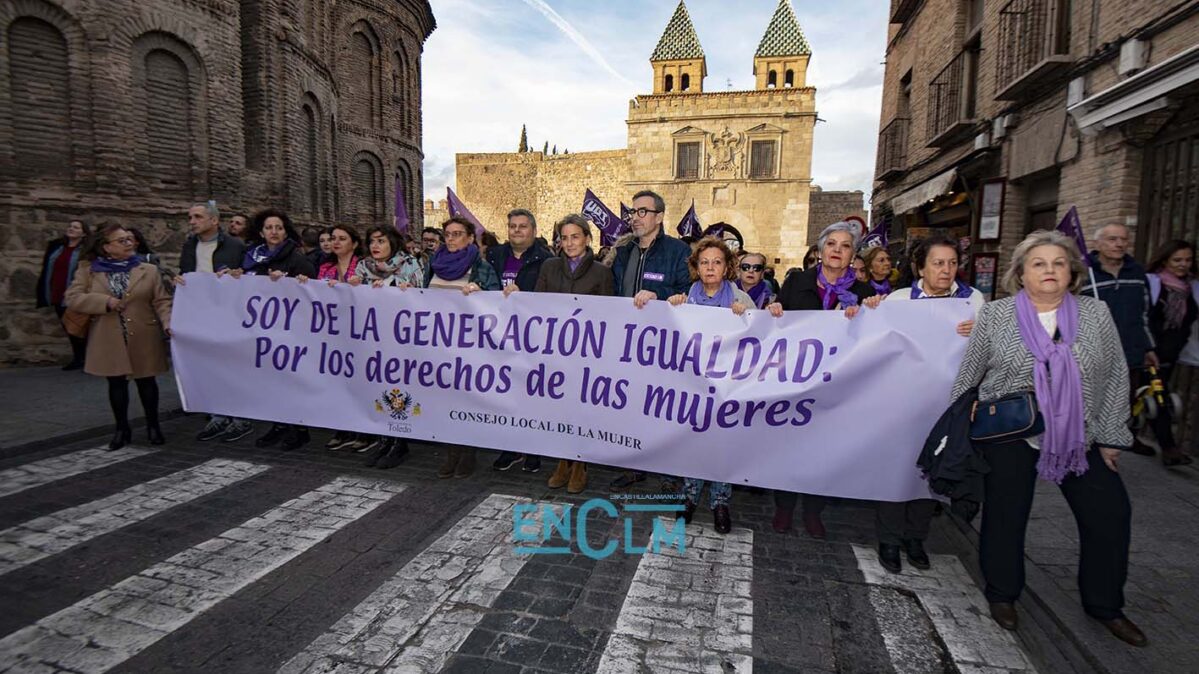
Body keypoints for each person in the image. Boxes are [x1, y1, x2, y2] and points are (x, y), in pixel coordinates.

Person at [950, 229, 1145, 646]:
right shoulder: (997, 315)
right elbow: (971, 370)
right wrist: (958, 415)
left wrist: (1112, 437)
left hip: (1080, 435)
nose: (1049, 270)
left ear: (1072, 272)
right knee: (1006, 515)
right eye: (1039, 263)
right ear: (1021, 274)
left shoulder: (1095, 314)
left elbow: (1114, 376)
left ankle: (1105, 604)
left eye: (1058, 263)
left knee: (1110, 515)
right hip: (1012, 432)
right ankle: (1003, 594)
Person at [873, 235, 982, 573]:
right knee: (895, 471)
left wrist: (980, 332)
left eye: (952, 263)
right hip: (902, 403)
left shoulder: (973, 301)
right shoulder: (899, 299)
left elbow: (987, 350)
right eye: (938, 263)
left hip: (946, 406)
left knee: (928, 473)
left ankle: (915, 537)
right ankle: (889, 539)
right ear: (921, 267)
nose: (946, 270)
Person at [767, 221, 877, 538]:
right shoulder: (797, 281)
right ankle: (784, 506)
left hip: (835, 385)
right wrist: (774, 308)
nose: (837, 251)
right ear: (820, 250)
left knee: (823, 450)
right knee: (788, 446)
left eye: (845, 246)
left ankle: (814, 510)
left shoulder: (863, 292)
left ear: (852, 255)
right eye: (832, 244)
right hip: (794, 380)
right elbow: (777, 322)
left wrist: (870, 310)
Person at [666, 238, 765, 534]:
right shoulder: (687, 298)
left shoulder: (740, 300)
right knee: (694, 440)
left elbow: (762, 337)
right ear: (696, 267)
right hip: (694, 385)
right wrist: (673, 306)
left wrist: (748, 317)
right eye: (705, 262)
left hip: (727, 387)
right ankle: (689, 497)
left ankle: (720, 501)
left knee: (722, 444)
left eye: (717, 262)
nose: (710, 267)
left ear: (727, 267)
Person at [609, 190, 691, 491]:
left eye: (643, 211)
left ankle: (669, 472)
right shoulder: (623, 252)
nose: (635, 217)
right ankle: (634, 466)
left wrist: (659, 295)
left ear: (659, 216)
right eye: (633, 211)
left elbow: (686, 291)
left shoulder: (677, 251)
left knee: (662, 407)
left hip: (662, 345)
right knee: (631, 407)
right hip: (627, 343)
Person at [65, 225, 172, 450]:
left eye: (129, 239)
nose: (129, 243)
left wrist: (168, 323)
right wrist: (104, 302)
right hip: (108, 334)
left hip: (144, 332)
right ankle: (122, 428)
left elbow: (161, 301)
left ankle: (153, 426)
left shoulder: (148, 270)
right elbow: (73, 298)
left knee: (147, 382)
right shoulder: (89, 269)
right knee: (116, 384)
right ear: (106, 248)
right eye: (122, 241)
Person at [532, 214, 615, 493]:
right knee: (558, 408)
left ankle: (580, 463)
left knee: (582, 410)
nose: (569, 243)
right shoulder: (549, 266)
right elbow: (537, 306)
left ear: (587, 238)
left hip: (586, 354)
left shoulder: (602, 273)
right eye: (564, 237)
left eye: (575, 236)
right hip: (555, 350)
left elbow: (607, 318)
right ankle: (562, 460)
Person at [230, 209, 317, 451]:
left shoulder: (296, 257)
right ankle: (278, 424)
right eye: (269, 228)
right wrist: (234, 278)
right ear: (261, 232)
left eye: (278, 227)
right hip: (260, 331)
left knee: (290, 380)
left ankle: (299, 429)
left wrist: (289, 280)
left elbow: (312, 289)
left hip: (290, 332)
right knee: (269, 381)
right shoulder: (251, 257)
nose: (274, 232)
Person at [426, 217, 501, 478]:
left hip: (469, 349)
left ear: (470, 238)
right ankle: (451, 453)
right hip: (437, 345)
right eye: (448, 234)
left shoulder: (481, 267)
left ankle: (468, 452)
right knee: (443, 400)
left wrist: (481, 292)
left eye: (458, 234)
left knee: (466, 402)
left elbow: (497, 301)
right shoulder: (433, 265)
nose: (451, 239)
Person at [487, 208, 554, 473]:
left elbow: (549, 298)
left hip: (531, 338)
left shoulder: (546, 260)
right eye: (512, 225)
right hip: (498, 336)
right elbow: (484, 284)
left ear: (534, 231)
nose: (517, 230)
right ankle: (510, 447)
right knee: (506, 393)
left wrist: (523, 295)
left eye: (522, 226)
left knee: (531, 396)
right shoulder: (494, 255)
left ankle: (533, 449)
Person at [179, 201, 251, 443]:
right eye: (191, 217)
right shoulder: (189, 246)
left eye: (198, 216)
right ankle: (217, 415)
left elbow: (249, 276)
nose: (192, 221)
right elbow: (186, 273)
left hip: (230, 315)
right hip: (202, 314)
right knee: (209, 365)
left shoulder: (234, 246)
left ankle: (241, 417)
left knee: (234, 366)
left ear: (213, 220)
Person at [1086, 223, 1157, 457]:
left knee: (1123, 402)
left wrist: (1148, 346)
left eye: (1123, 240)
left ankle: (1111, 444)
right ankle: (1086, 443)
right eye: (1112, 239)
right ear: (1097, 243)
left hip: (1129, 350)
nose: (1119, 244)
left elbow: (1144, 312)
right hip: (1093, 351)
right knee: (1090, 401)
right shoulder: (1084, 272)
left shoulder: (1136, 272)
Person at [1145, 240, 1198, 466]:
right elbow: (1143, 316)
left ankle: (1132, 435)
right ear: (1165, 260)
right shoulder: (1152, 284)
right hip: (1149, 349)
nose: (1183, 264)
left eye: (1187, 260)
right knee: (1159, 397)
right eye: (1177, 260)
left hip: (1172, 350)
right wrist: (1147, 347)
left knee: (1150, 396)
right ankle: (1169, 448)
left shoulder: (1192, 288)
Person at [37, 218, 91, 370]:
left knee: (79, 326)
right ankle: (78, 358)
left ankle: (88, 359)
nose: (71, 229)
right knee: (68, 327)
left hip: (75, 294)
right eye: (70, 226)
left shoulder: (85, 251)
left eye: (76, 227)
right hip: (56, 292)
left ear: (84, 233)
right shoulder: (57, 247)